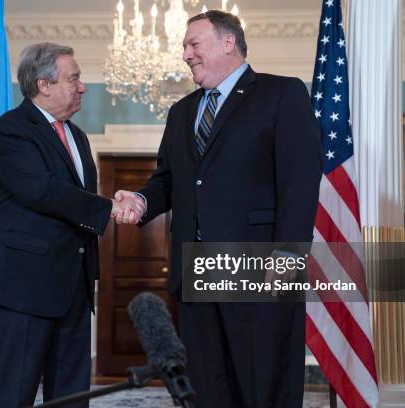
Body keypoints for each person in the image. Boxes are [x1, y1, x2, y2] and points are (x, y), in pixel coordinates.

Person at [115, 10, 322, 408]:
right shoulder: (181, 112)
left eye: (193, 44)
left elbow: (299, 184)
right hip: (195, 274)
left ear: (228, 42)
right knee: (206, 391)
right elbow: (169, 181)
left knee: (262, 388)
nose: (185, 54)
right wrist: (141, 199)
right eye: (184, 47)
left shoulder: (281, 94)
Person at [0, 42, 141, 407]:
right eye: (75, 78)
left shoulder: (78, 137)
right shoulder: (13, 128)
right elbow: (41, 191)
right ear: (43, 84)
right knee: (14, 395)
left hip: (73, 290)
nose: (82, 87)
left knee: (71, 397)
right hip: (23, 289)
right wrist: (109, 208)